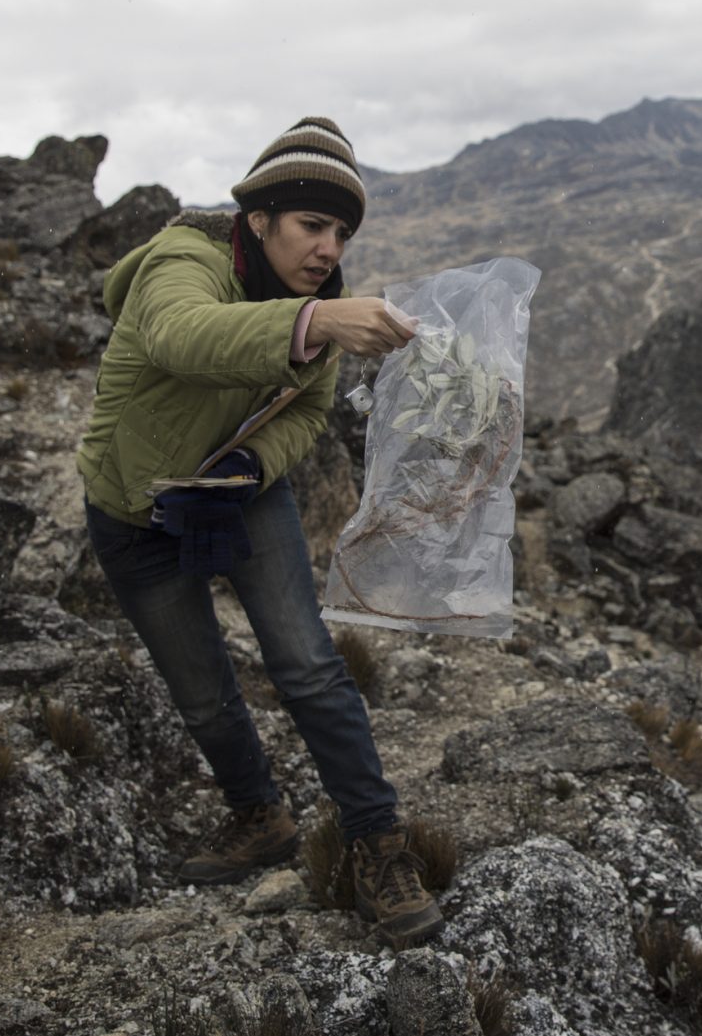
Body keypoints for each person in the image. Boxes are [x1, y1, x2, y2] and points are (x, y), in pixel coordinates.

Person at [76, 115, 443, 947]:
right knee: (202, 691)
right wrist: (313, 325)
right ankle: (258, 818)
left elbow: (306, 413)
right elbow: (182, 337)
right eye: (313, 224)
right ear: (260, 218)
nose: (327, 246)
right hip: (133, 512)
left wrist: (247, 469)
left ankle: (379, 846)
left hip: (236, 494)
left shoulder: (321, 302)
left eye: (342, 231)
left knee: (308, 665)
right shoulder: (184, 260)